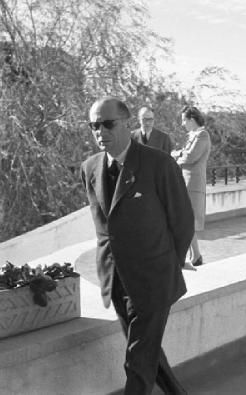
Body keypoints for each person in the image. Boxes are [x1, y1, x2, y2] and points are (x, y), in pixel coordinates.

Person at [80, 97, 193, 394]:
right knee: (147, 352)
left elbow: (182, 223)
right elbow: (103, 226)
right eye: (94, 125)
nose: (99, 131)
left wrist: (168, 265)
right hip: (116, 280)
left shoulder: (159, 163)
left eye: (107, 124)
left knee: (137, 360)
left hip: (154, 277)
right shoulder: (89, 168)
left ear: (127, 123)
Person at [171, 105, 211, 267]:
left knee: (187, 221)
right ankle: (196, 256)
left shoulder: (203, 135)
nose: (182, 124)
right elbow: (186, 156)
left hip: (193, 184)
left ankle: (192, 256)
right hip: (185, 182)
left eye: (184, 120)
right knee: (185, 220)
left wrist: (177, 154)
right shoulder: (192, 135)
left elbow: (190, 157)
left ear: (192, 119)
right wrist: (181, 155)